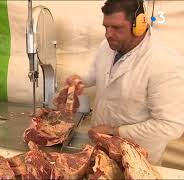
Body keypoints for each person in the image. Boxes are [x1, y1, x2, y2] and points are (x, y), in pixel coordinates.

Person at [60, 0, 184, 164]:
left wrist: (115, 132)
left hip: (136, 160)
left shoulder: (165, 62)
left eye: (117, 28)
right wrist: (78, 80)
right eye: (106, 27)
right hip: (102, 151)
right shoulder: (108, 45)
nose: (108, 34)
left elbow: (170, 125)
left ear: (139, 25)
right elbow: (96, 72)